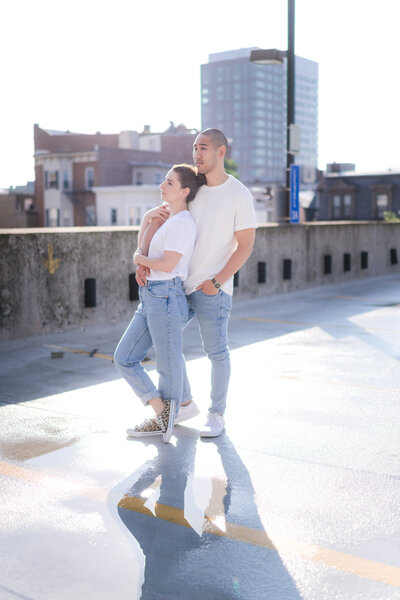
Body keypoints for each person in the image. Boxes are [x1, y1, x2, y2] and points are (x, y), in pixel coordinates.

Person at [136, 129, 257, 438]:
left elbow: (245, 246)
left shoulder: (238, 194)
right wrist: (145, 259)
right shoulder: (195, 189)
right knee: (167, 347)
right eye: (194, 148)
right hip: (176, 287)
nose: (196, 154)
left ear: (221, 152)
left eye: (203, 148)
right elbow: (163, 221)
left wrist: (217, 282)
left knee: (216, 352)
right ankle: (179, 406)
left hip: (211, 289)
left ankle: (216, 414)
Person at [113, 164, 204, 443]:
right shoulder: (166, 218)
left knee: (167, 362)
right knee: (124, 357)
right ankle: (177, 406)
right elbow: (146, 250)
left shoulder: (183, 223)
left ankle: (164, 417)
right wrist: (145, 222)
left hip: (166, 295)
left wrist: (139, 261)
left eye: (169, 184)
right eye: (164, 181)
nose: (162, 186)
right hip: (152, 295)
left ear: (185, 191)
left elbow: (166, 263)